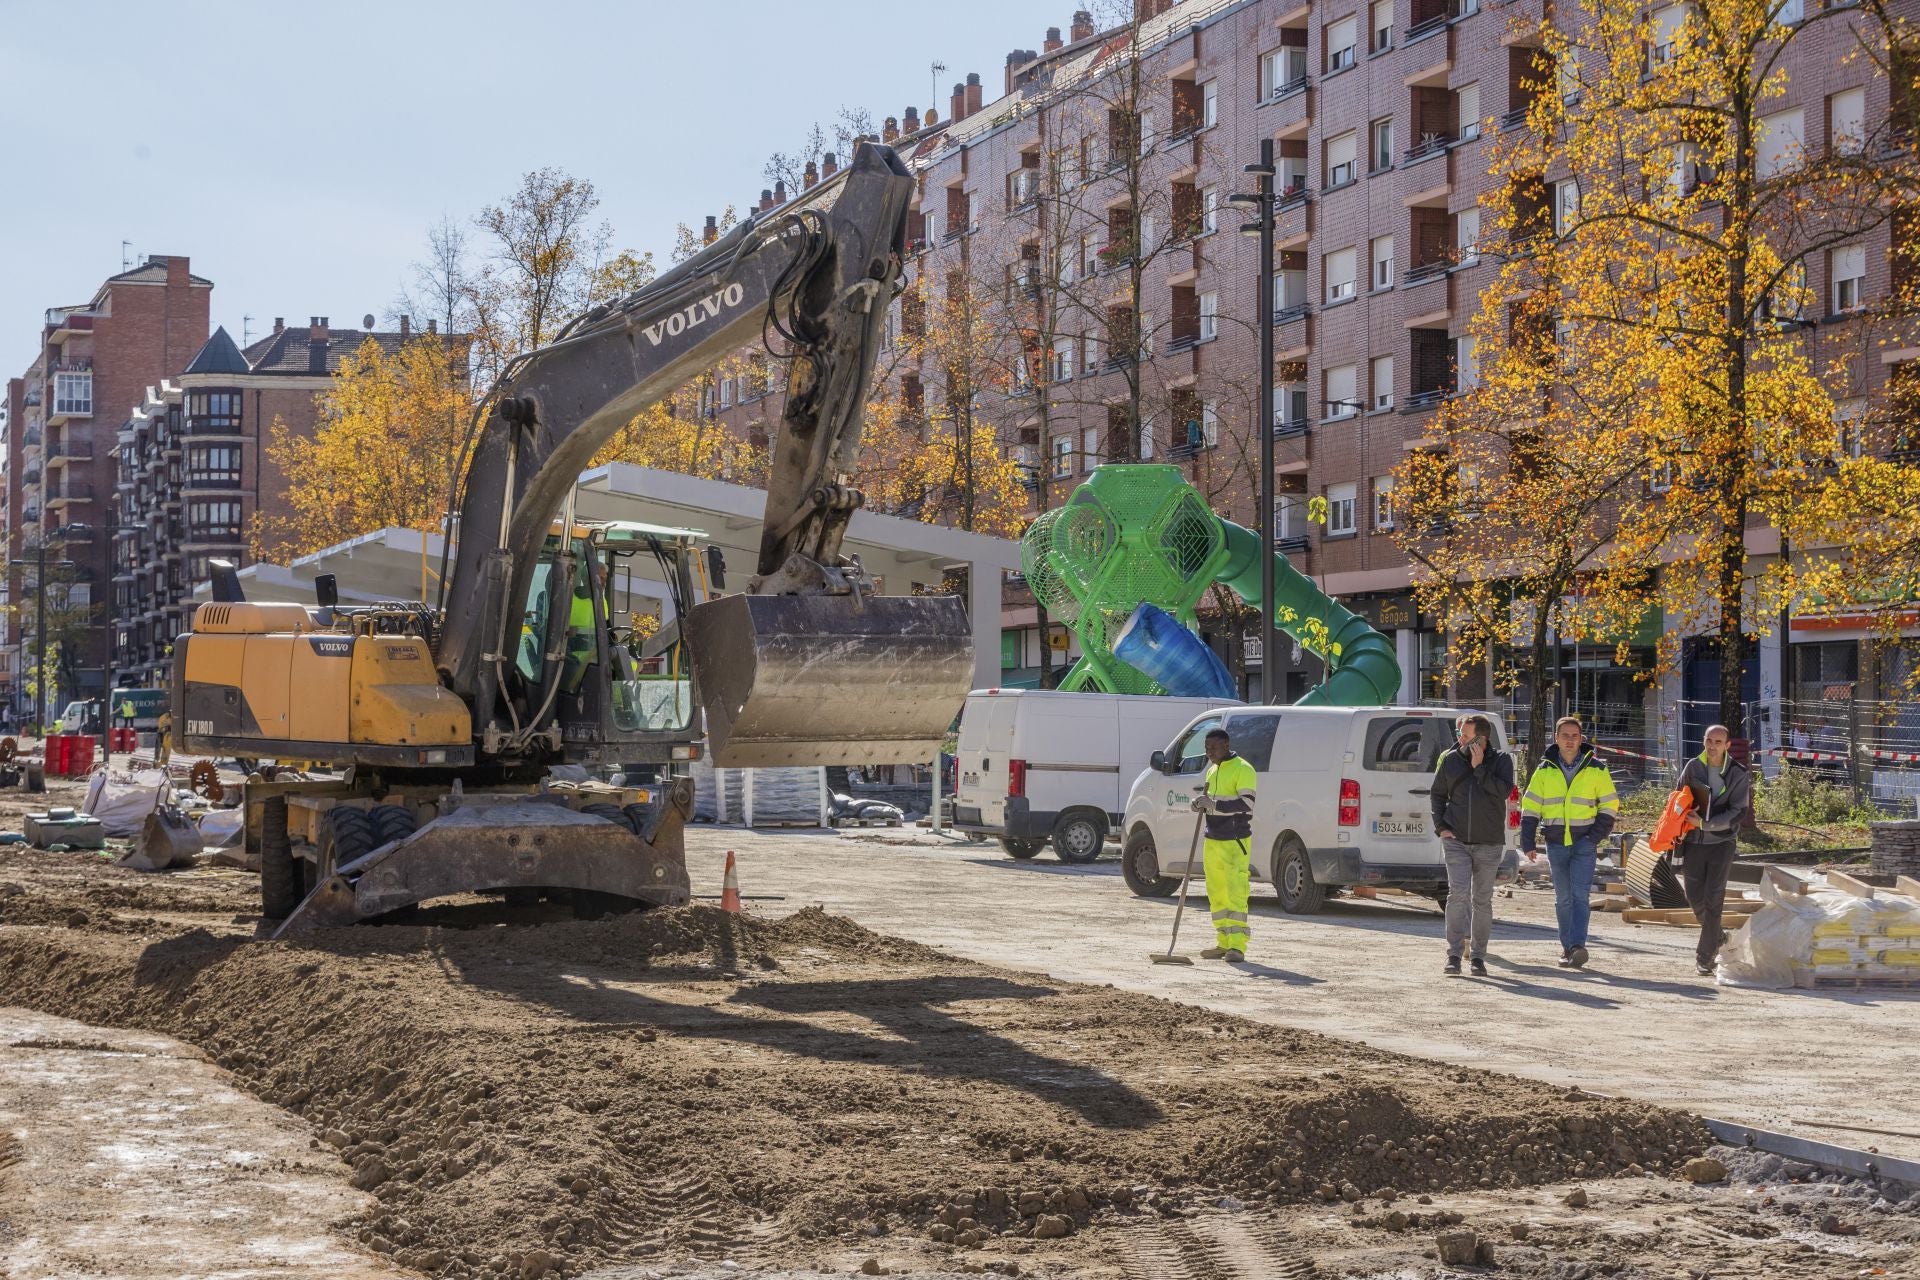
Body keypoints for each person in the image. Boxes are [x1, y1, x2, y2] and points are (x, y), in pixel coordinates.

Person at [1519, 716, 1619, 969]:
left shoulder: (1596, 769)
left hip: (1584, 843)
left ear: (1581, 739)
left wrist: (1594, 838)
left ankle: (1578, 945)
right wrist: (1528, 841)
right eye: (1565, 735)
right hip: (1555, 844)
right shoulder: (1544, 770)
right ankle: (1568, 947)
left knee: (1579, 896)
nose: (1570, 740)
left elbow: (1609, 805)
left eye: (1575, 736)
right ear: (1556, 738)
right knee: (1563, 898)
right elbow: (1530, 807)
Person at [1431, 714, 1515, 977]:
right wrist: (1441, 827)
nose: (1460, 739)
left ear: (1482, 738)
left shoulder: (1501, 761)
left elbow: (1502, 792)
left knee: (1482, 901)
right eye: (1460, 735)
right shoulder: (1451, 759)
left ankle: (1478, 957)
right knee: (1457, 894)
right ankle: (1453, 955)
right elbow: (1437, 794)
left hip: (1488, 842)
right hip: (1456, 841)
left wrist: (1479, 768)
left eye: (1466, 736)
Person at [1674, 724, 1753, 976]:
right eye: (1709, 740)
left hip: (1722, 842)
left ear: (1727, 746)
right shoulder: (1693, 767)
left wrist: (1708, 824)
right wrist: (1686, 812)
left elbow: (1738, 811)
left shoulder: (1738, 772)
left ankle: (1705, 957)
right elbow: (1677, 796)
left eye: (1718, 742)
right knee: (1694, 896)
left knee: (1713, 899)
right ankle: (1718, 936)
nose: (1712, 746)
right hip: (1694, 842)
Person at [1190, 726, 1257, 961]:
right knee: (1216, 892)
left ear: (1226, 746)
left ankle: (1237, 946)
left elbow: (1247, 804)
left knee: (1235, 892)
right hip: (1213, 839)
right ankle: (1223, 942)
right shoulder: (1212, 770)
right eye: (1207, 748)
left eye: (1214, 747)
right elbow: (1213, 801)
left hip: (1235, 840)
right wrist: (1200, 804)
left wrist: (1213, 805)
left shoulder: (1243, 769)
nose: (1210, 752)